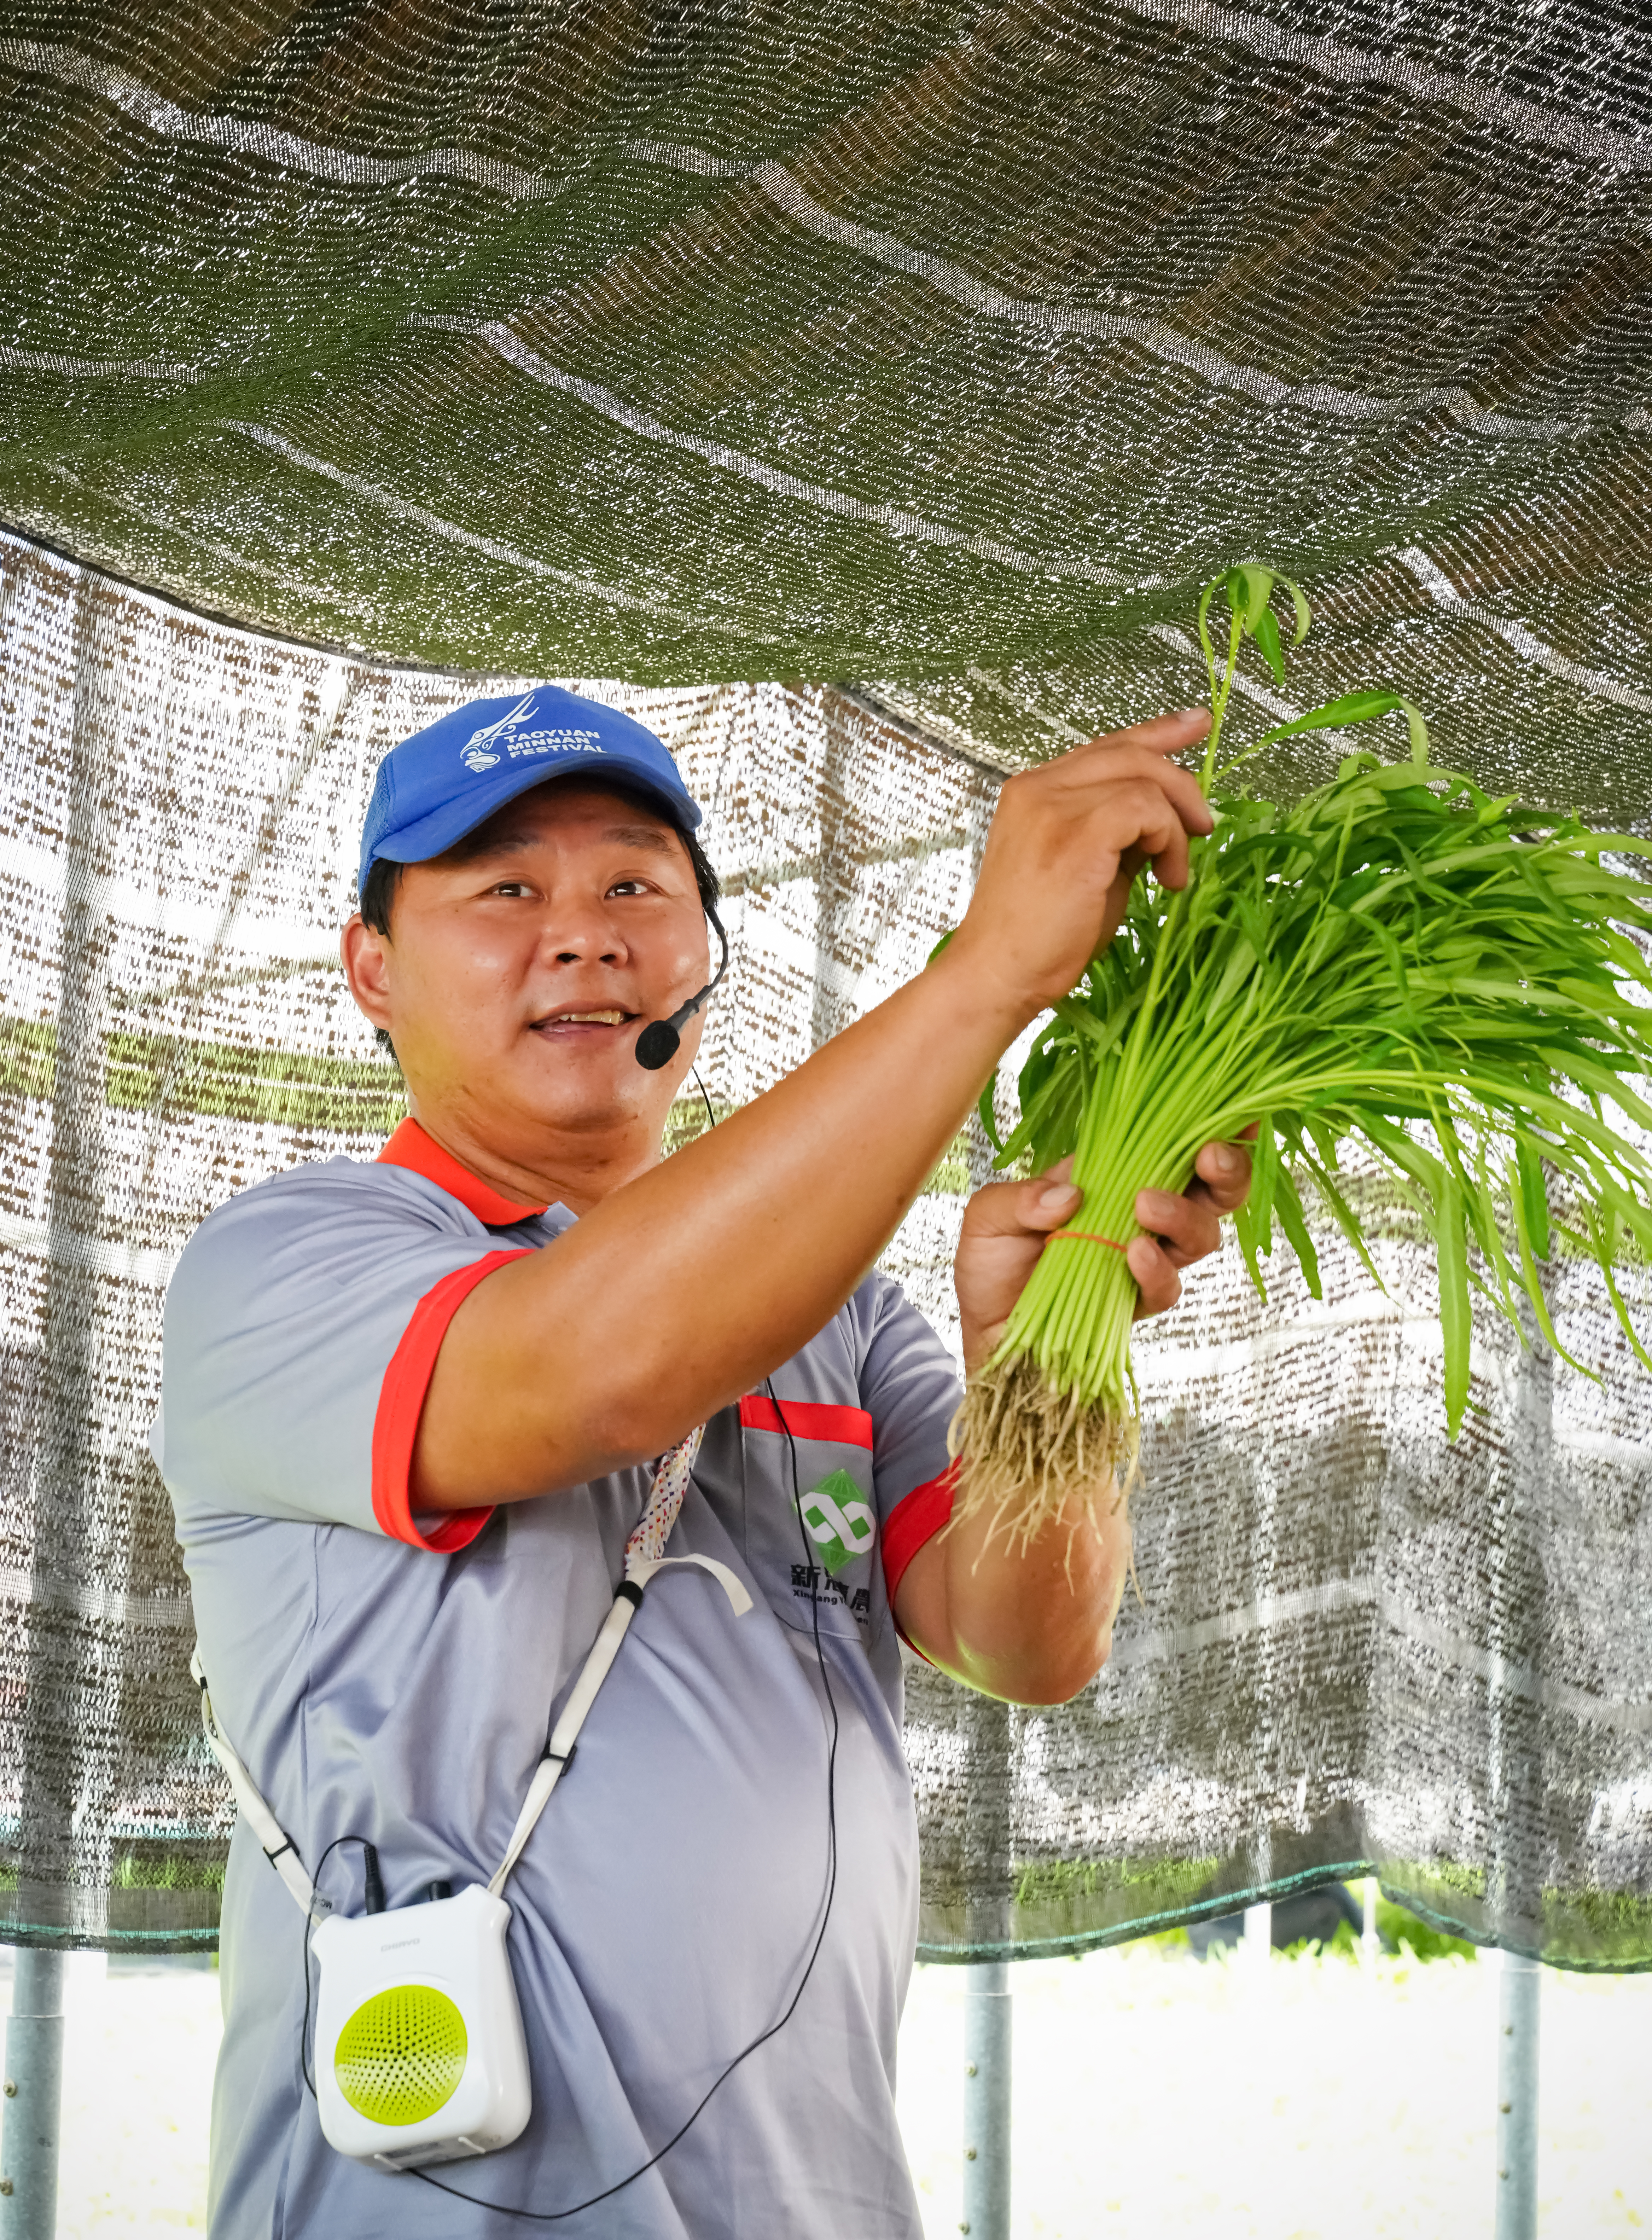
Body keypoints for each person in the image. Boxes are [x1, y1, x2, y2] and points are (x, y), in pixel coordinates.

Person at [157, 683, 1251, 2238]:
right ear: (372, 970)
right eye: (505, 889)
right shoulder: (286, 1264)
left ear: (700, 960)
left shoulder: (852, 1322)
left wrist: (1040, 1360)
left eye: (634, 887)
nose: (585, 933)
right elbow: (603, 1365)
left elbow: (1027, 1640)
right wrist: (982, 978)